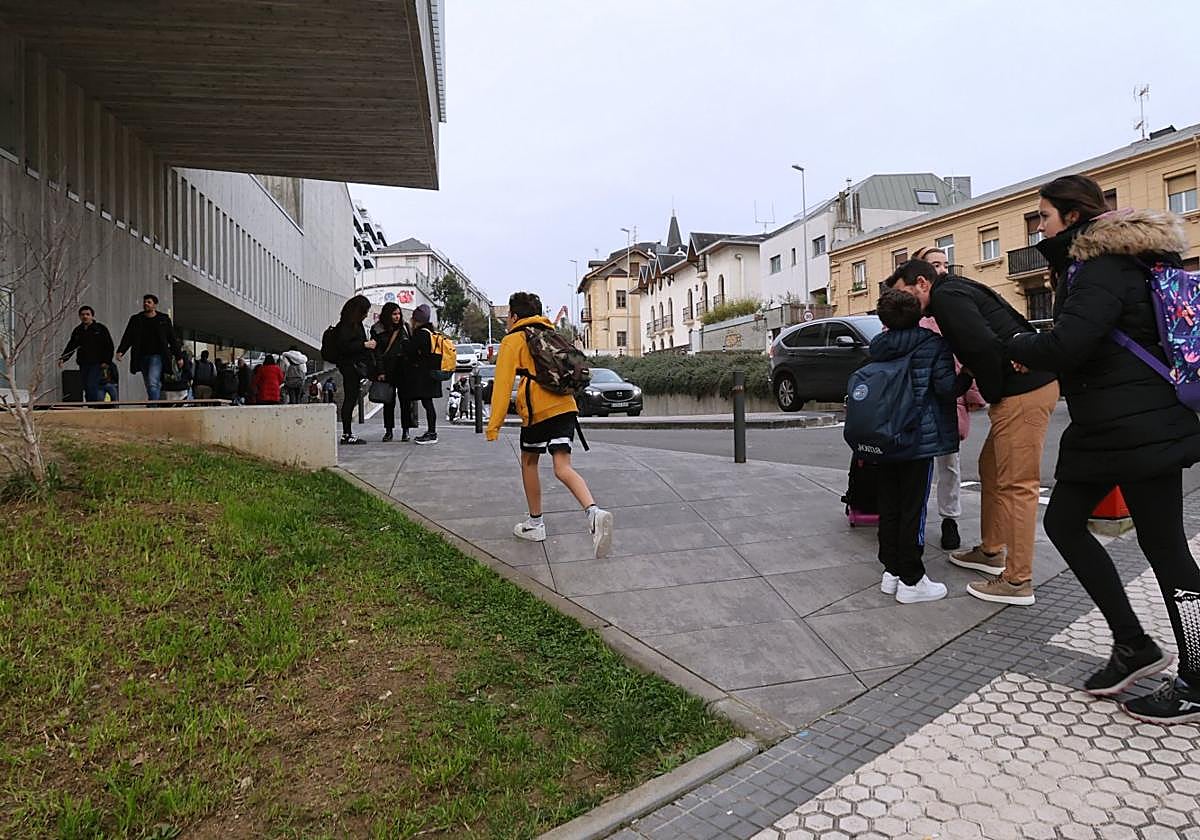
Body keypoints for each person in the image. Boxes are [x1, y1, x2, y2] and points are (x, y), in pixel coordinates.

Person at [1007, 174, 1200, 724]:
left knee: (1166, 550)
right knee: (1065, 522)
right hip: (1106, 427)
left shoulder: (1102, 266)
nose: (1038, 226)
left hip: (1137, 428)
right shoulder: (1102, 264)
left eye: (1042, 216)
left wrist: (1019, 345)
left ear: (1070, 216)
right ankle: (1133, 644)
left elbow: (1070, 343)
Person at [886, 254, 1058, 606]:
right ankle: (992, 551)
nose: (905, 302)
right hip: (1020, 388)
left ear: (922, 283)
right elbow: (997, 333)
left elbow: (981, 345)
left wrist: (998, 381)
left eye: (906, 294)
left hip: (1023, 392)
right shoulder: (955, 290)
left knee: (1018, 484)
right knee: (991, 469)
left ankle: (1017, 580)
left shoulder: (946, 298)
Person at [486, 291, 614, 558]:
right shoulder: (554, 334)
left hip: (538, 413)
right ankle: (593, 512)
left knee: (529, 462)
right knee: (562, 467)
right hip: (567, 406)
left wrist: (494, 425)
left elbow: (502, 386)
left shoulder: (513, 340)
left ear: (513, 316)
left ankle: (536, 524)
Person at [865, 287, 959, 603]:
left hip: (885, 435)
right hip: (918, 437)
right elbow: (947, 389)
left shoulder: (878, 347)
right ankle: (912, 579)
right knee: (913, 508)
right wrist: (968, 375)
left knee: (889, 504)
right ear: (919, 314)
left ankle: (891, 571)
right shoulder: (933, 345)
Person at [912, 246, 988, 550]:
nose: (943, 270)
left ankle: (949, 519)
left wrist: (971, 393)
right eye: (935, 265)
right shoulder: (915, 310)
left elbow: (965, 352)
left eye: (945, 264)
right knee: (917, 465)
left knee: (950, 464)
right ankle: (913, 518)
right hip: (920, 399)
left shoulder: (953, 305)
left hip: (949, 396)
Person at [115, 293, 181, 401]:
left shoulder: (163, 319)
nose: (146, 304)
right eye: (145, 302)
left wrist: (179, 356)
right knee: (149, 383)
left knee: (152, 382)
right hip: (141, 355)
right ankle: (156, 401)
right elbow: (128, 336)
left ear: (155, 305)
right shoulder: (136, 319)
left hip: (158, 356)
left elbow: (172, 338)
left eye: (149, 302)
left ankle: (153, 406)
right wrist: (121, 351)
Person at [332, 294, 376, 444]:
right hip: (350, 366)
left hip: (353, 366)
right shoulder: (346, 326)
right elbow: (344, 347)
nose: (365, 315)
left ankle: (347, 432)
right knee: (350, 398)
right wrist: (364, 345)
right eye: (364, 312)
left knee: (351, 398)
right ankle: (346, 433)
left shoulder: (354, 325)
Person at [400, 303, 441, 445]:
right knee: (428, 403)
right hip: (431, 374)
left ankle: (432, 433)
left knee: (427, 403)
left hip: (424, 376)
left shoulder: (421, 334)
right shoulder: (431, 332)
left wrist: (405, 342)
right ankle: (431, 431)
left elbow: (410, 351)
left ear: (416, 319)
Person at [57, 305, 115, 403]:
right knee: (86, 386)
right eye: (83, 314)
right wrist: (63, 358)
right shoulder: (78, 330)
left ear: (92, 316)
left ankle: (94, 405)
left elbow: (109, 346)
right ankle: (90, 405)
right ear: (80, 316)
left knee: (91, 385)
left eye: (87, 314)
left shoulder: (100, 329)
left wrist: (106, 361)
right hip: (83, 363)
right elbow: (71, 345)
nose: (85, 316)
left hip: (97, 363)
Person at [370, 302, 408, 442]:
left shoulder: (404, 327)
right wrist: (380, 371)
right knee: (388, 402)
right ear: (387, 315)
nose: (397, 317)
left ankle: (406, 430)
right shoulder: (378, 329)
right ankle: (389, 430)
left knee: (405, 401)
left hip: (403, 369)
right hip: (387, 369)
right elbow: (377, 353)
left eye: (398, 314)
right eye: (394, 314)